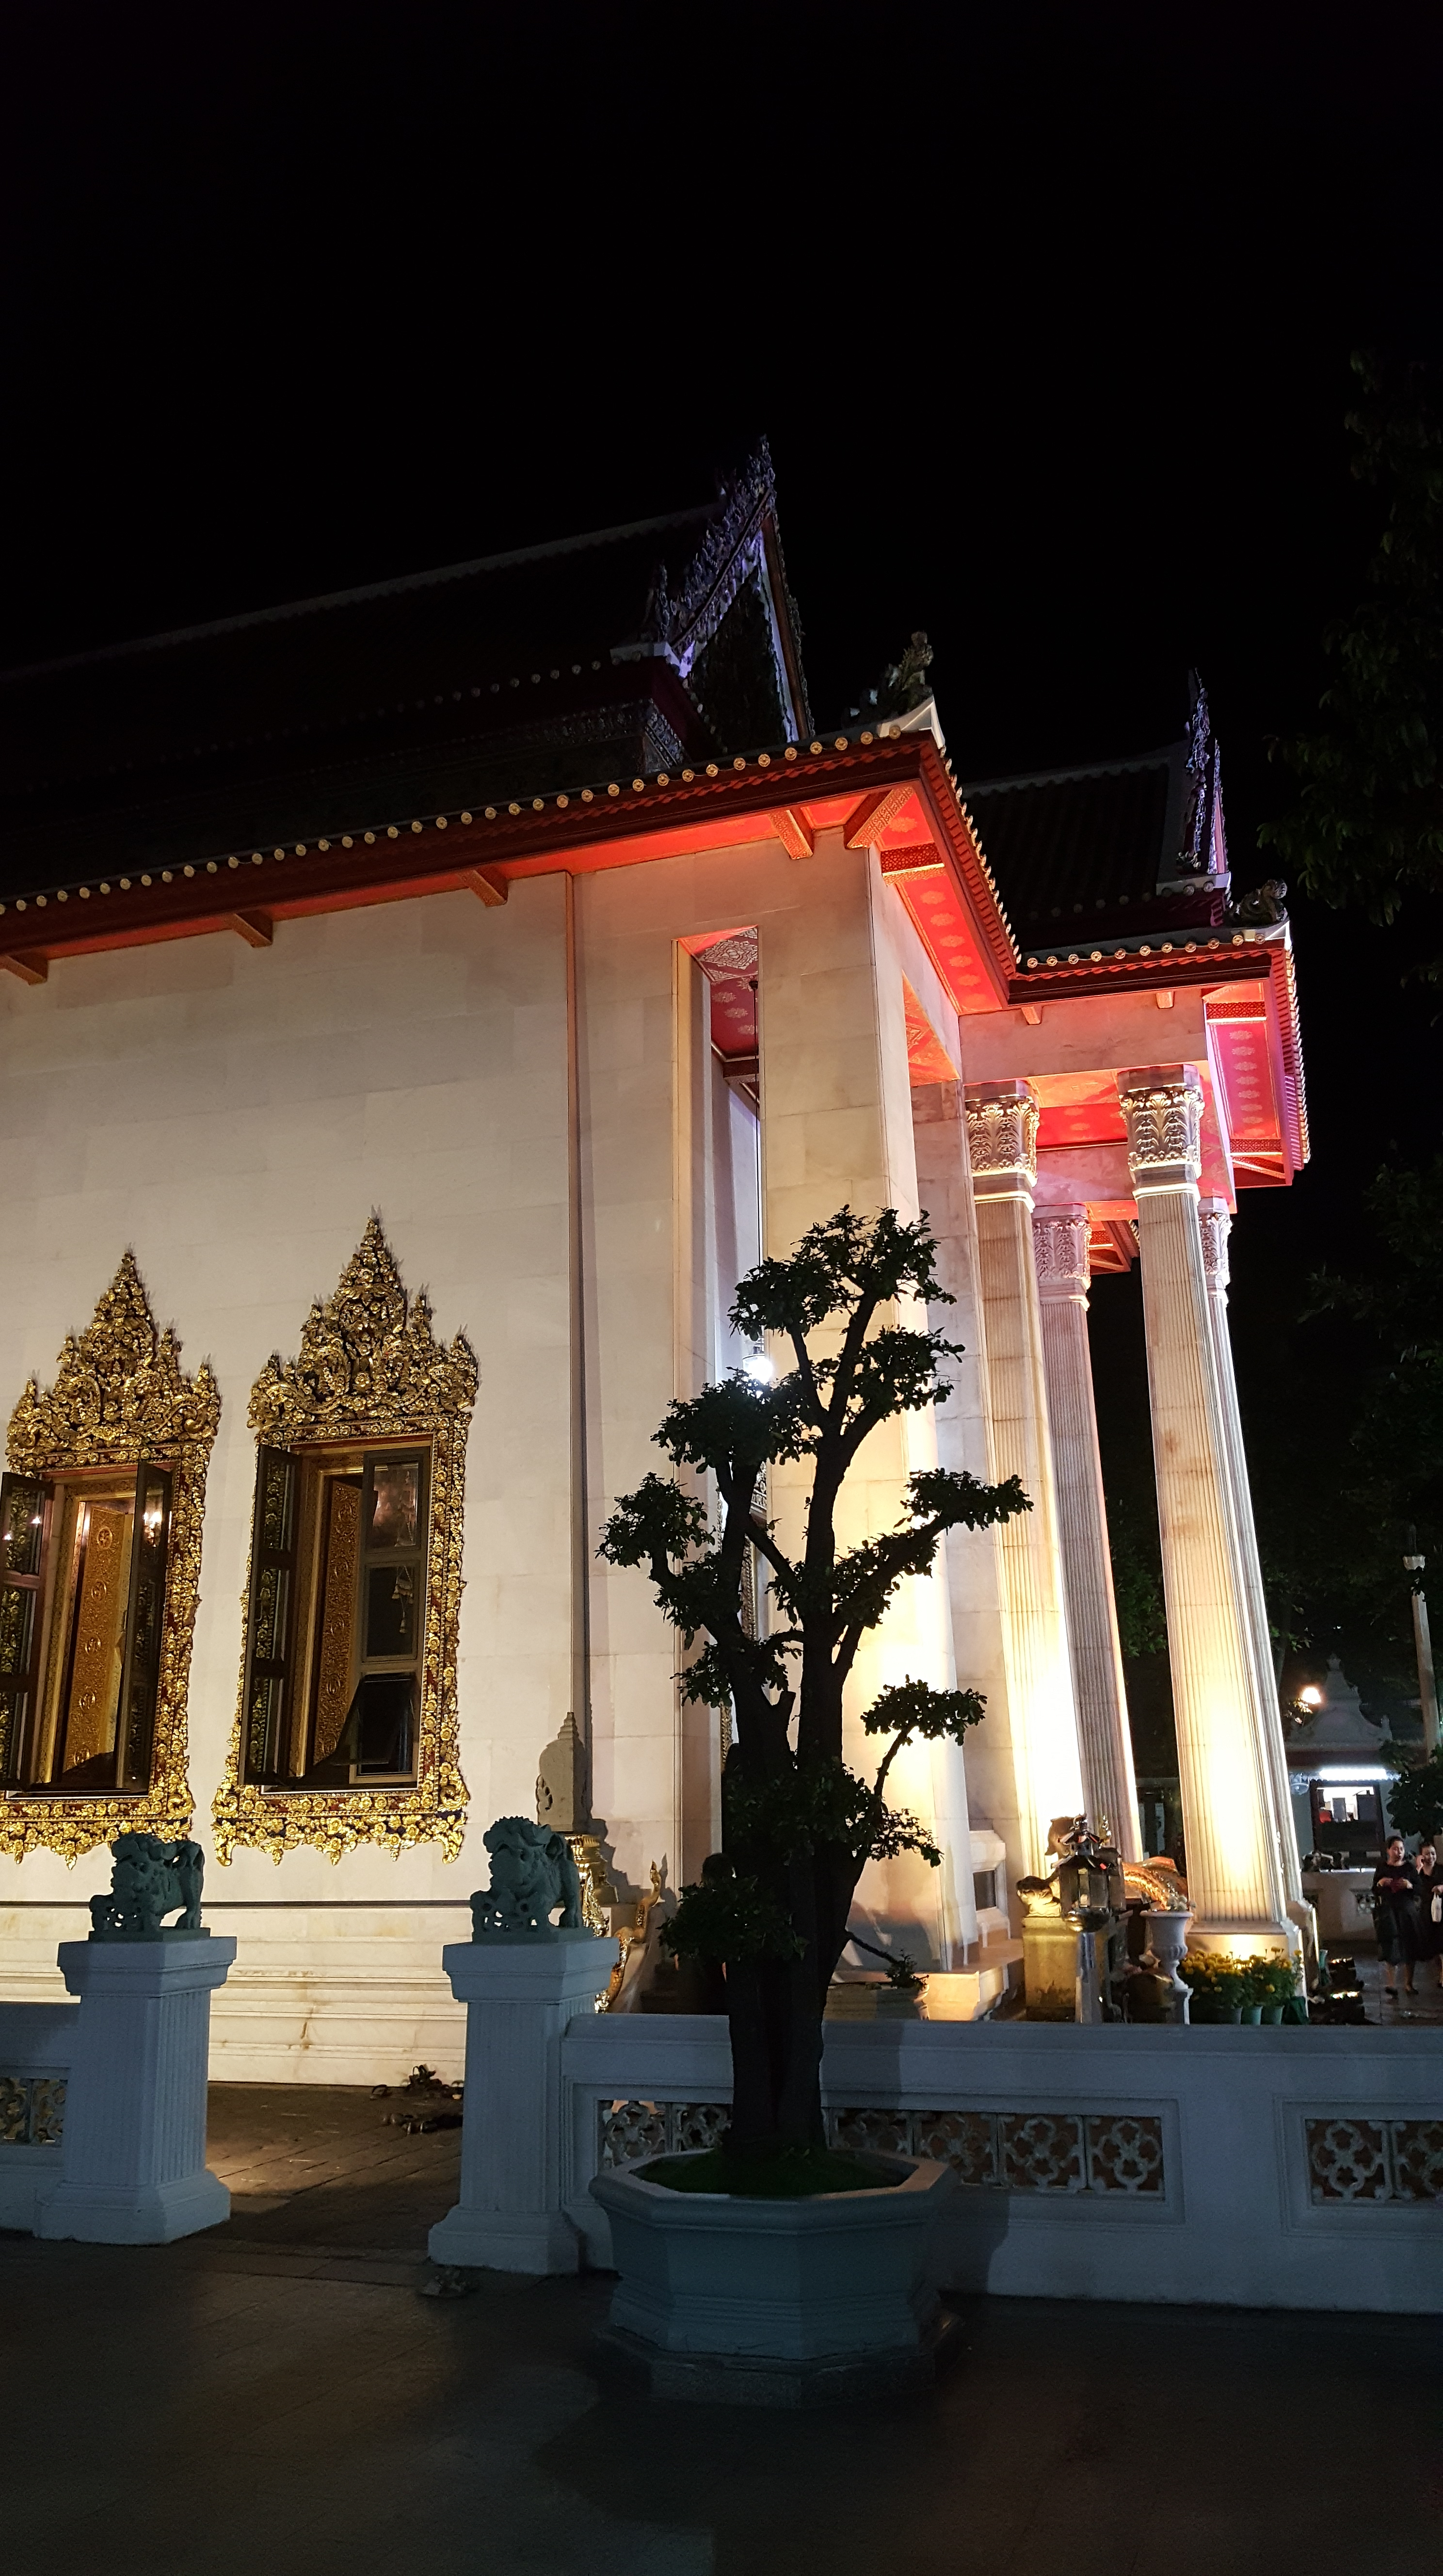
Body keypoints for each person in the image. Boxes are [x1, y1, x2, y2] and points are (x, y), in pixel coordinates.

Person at [1369, 1835, 1420, 2002]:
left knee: (1410, 1946)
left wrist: (1409, 1885)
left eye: (1401, 1849)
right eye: (1395, 1849)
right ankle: (1392, 1985)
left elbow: (1419, 1888)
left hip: (1406, 1911)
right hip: (1388, 1911)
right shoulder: (1382, 1867)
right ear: (1388, 1850)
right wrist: (1381, 1883)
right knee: (1391, 1946)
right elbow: (1374, 1889)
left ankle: (1409, 1984)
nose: (1399, 1852)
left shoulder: (1409, 1868)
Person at [1412, 1840, 1443, 1990]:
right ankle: (1441, 1972)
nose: (1430, 1857)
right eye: (1427, 1854)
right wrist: (1418, 1869)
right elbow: (1413, 1889)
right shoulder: (1418, 1873)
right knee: (1434, 1947)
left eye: (1433, 1853)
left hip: (1441, 1911)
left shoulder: (1441, 1870)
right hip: (1426, 1913)